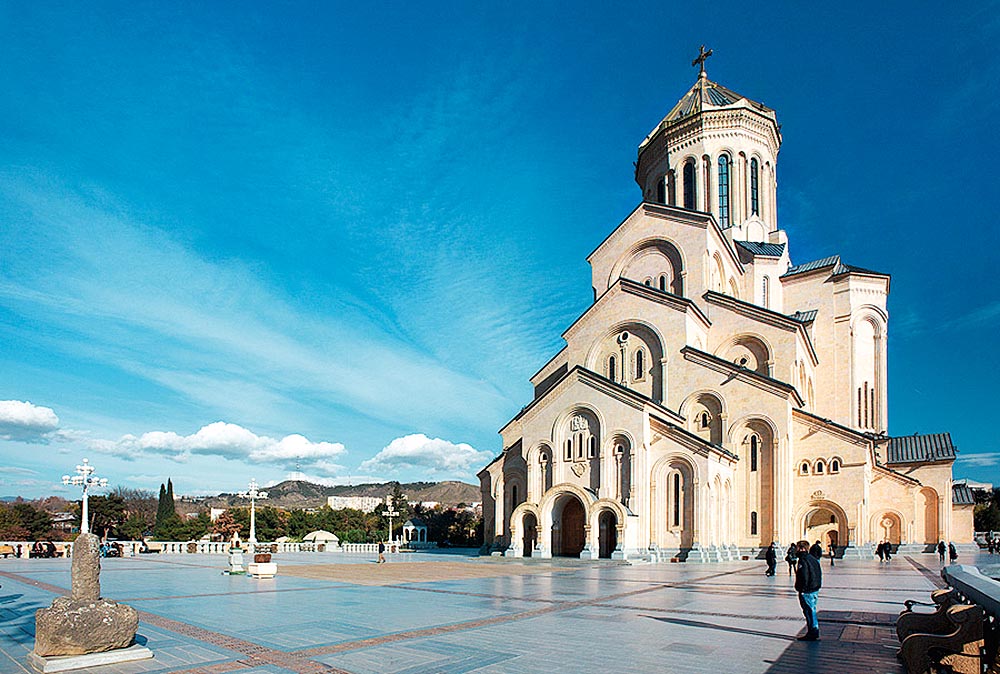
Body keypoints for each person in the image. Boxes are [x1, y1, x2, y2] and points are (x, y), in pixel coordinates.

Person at [795, 539, 822, 641]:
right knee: (812, 610)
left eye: (797, 548)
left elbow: (804, 575)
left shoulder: (803, 560)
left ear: (801, 548)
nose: (796, 550)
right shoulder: (813, 558)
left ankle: (812, 631)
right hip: (814, 589)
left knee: (809, 611)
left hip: (807, 591)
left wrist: (802, 589)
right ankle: (813, 630)